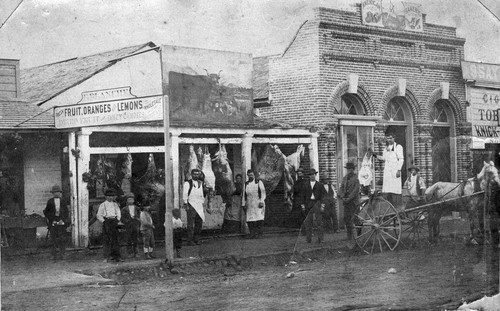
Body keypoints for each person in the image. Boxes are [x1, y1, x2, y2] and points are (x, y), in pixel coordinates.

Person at [373, 131, 404, 208]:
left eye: (391, 138)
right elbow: (384, 158)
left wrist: (399, 170)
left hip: (395, 172)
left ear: (394, 138)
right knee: (387, 190)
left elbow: (401, 159)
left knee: (395, 191)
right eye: (388, 138)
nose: (389, 140)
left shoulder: (398, 147)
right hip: (387, 173)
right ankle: (388, 209)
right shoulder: (386, 149)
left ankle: (397, 208)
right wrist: (375, 155)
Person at [43, 184, 70, 261]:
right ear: (53, 193)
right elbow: (46, 211)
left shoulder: (63, 201)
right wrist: (51, 218)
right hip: (53, 220)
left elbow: (66, 211)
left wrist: (64, 219)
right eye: (55, 192)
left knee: (62, 238)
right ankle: (53, 254)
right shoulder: (50, 201)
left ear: (60, 193)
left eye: (58, 192)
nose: (56, 193)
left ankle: (62, 253)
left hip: (61, 220)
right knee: (53, 238)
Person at [182, 168, 209, 245]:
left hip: (199, 205)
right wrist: (186, 204)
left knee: (199, 223)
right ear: (191, 174)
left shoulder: (201, 183)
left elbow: (202, 194)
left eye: (198, 174)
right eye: (195, 174)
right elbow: (185, 194)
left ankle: (196, 239)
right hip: (191, 204)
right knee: (190, 224)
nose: (196, 176)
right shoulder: (187, 183)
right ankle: (189, 241)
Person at [96, 189, 124, 262]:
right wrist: (104, 221)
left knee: (116, 239)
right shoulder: (103, 205)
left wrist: (117, 219)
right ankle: (106, 257)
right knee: (107, 239)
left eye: (112, 196)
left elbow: (118, 213)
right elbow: (99, 215)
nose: (110, 198)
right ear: (105, 197)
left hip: (114, 221)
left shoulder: (115, 205)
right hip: (107, 222)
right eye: (109, 196)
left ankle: (117, 256)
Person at [300, 169, 326, 243]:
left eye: (313, 174)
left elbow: (323, 196)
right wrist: (303, 205)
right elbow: (302, 196)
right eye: (310, 175)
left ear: (315, 175)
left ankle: (321, 239)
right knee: (308, 222)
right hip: (308, 204)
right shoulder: (305, 185)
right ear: (309, 176)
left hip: (317, 203)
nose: (312, 176)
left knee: (319, 222)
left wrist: (322, 205)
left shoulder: (320, 185)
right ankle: (308, 239)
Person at [338, 162, 360, 241]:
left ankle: (359, 235)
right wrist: (342, 196)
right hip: (346, 202)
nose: (349, 170)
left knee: (355, 219)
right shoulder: (344, 178)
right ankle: (349, 236)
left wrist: (349, 198)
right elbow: (341, 188)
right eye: (348, 169)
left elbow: (355, 190)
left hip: (354, 202)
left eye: (350, 169)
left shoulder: (357, 178)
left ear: (353, 169)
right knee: (346, 219)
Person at [242, 169, 266, 239]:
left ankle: (259, 234)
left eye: (251, 175)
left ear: (254, 175)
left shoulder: (259, 182)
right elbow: (244, 194)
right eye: (249, 175)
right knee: (250, 219)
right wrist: (243, 204)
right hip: (250, 203)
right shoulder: (246, 184)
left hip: (258, 202)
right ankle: (252, 233)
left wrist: (261, 201)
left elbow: (263, 193)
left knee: (259, 218)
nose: (250, 176)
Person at [120, 193, 140, 258]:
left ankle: (136, 253)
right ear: (127, 201)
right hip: (128, 225)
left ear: (133, 200)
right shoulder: (124, 209)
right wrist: (127, 221)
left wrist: (137, 219)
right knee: (129, 239)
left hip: (135, 224)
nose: (130, 201)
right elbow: (122, 217)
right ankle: (130, 253)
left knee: (136, 239)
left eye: (131, 199)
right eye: (129, 200)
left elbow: (140, 216)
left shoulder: (137, 208)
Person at [292, 167, 307, 232]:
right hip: (298, 200)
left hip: (304, 200)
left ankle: (306, 229)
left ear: (303, 174)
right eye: (298, 173)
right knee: (299, 215)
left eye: (300, 173)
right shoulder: (296, 182)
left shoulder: (306, 182)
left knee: (304, 214)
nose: (299, 175)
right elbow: (295, 191)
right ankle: (301, 229)